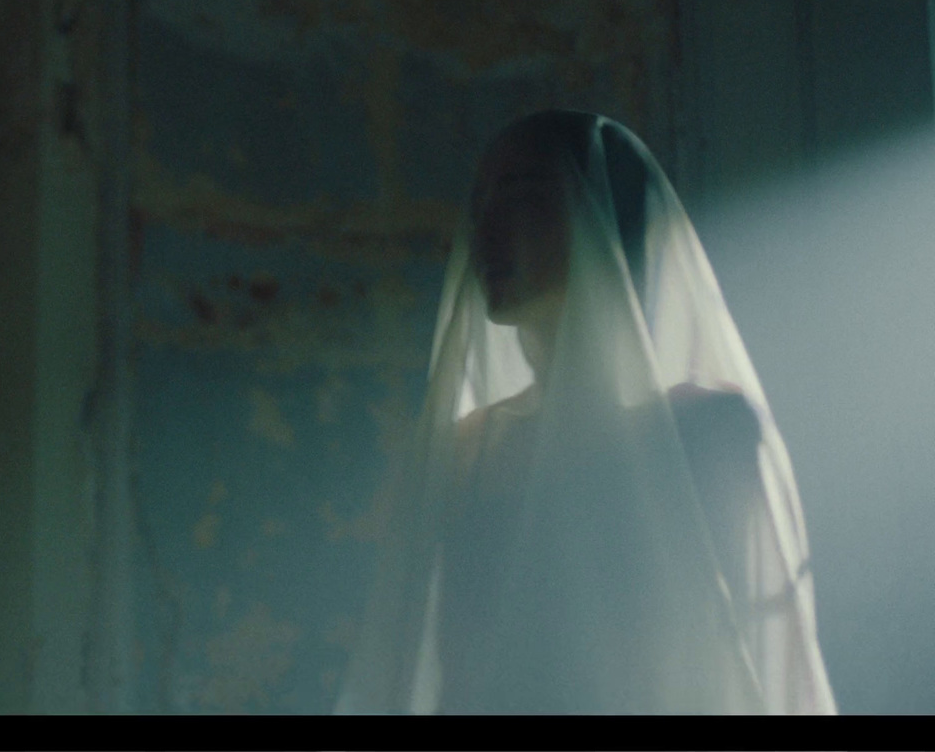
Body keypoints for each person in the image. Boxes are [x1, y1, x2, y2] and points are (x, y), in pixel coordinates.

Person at [336, 110, 835, 714]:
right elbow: (448, 667)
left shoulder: (704, 433)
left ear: (607, 217)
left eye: (525, 197)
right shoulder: (467, 449)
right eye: (480, 201)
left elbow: (755, 659)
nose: (486, 229)